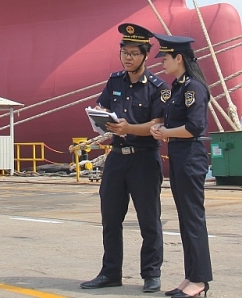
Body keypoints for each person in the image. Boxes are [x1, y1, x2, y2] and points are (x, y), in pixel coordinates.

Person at [81, 23, 170, 294]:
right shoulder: (115, 81)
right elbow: (103, 107)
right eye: (124, 52)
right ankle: (110, 273)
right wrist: (100, 118)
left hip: (144, 159)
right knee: (110, 218)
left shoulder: (157, 87)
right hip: (117, 158)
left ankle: (151, 274)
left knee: (149, 220)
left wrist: (127, 128)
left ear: (145, 55)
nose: (128, 57)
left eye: (133, 53)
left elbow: (156, 126)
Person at [149, 34, 212, 298]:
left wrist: (165, 132)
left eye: (165, 57)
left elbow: (195, 127)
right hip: (179, 154)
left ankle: (200, 280)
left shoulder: (193, 88)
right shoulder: (178, 86)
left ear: (179, 58)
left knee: (193, 218)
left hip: (190, 156)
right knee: (186, 219)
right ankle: (191, 276)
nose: (162, 62)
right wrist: (165, 131)